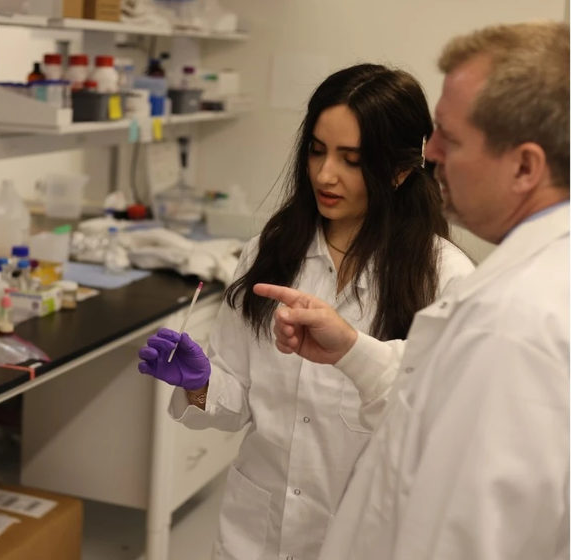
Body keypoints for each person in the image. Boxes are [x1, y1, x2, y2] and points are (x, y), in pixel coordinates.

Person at [256, 21, 569, 560]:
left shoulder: (513, 322)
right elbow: (423, 410)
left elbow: (471, 533)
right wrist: (354, 352)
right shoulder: (524, 286)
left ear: (524, 166)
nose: (430, 154)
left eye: (450, 135)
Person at [137, 63, 475, 560]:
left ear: (402, 169)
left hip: (367, 538)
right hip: (255, 534)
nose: (325, 174)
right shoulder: (271, 252)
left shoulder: (443, 278)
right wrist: (201, 380)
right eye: (317, 151)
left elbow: (444, 432)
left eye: (352, 159)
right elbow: (242, 401)